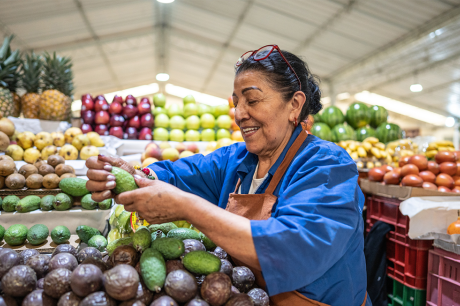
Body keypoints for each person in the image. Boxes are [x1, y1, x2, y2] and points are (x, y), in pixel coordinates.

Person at [86, 44, 370, 306]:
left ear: (294, 104)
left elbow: (292, 248)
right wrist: (130, 175)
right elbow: (175, 174)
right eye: (236, 102)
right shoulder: (236, 160)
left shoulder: (327, 166)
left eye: (253, 100)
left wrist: (188, 207)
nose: (239, 113)